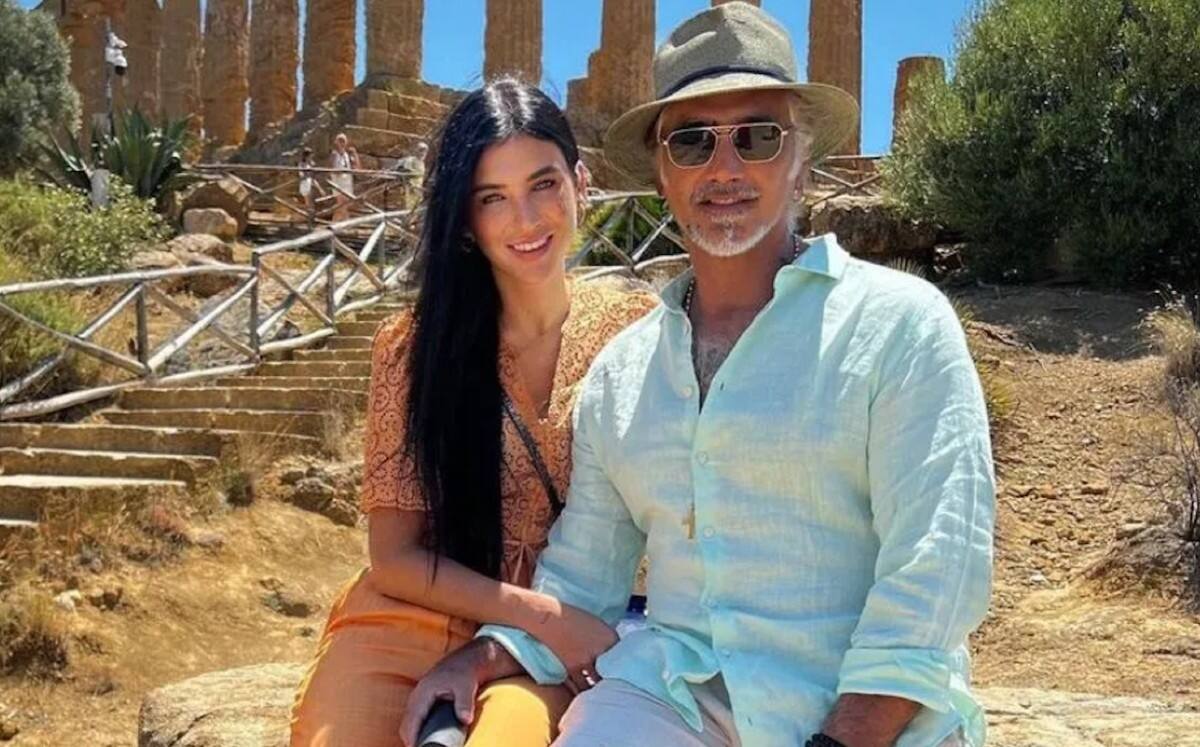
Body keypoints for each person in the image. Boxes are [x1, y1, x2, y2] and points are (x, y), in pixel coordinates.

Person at [402, 4, 996, 747]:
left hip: (864, 715)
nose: (724, 167)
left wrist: (845, 738)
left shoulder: (899, 326)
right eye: (691, 141)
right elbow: (583, 571)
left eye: (757, 135)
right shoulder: (621, 375)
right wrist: (486, 653)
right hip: (674, 697)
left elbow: (937, 563)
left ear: (800, 157)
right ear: (661, 169)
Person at [288, 78, 659, 747]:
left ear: (582, 183)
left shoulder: (636, 329)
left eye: (544, 184)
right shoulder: (413, 347)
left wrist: (554, 625)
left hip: (549, 640)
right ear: (464, 218)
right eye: (493, 198)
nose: (526, 219)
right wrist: (541, 613)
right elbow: (394, 557)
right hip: (420, 613)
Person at [329, 133, 360, 222]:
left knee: (345, 205)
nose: (342, 143)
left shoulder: (347, 155)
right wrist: (341, 171)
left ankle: (336, 223)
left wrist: (355, 154)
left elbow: (357, 167)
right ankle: (345, 223)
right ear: (336, 142)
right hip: (338, 183)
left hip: (347, 183)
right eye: (340, 141)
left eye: (343, 141)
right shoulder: (334, 154)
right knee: (341, 205)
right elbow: (332, 169)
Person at [395, 141, 430, 210]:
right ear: (416, 150)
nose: (423, 153)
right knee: (410, 206)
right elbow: (405, 172)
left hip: (418, 187)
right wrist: (410, 184)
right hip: (411, 187)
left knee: (417, 205)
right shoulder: (411, 160)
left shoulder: (421, 162)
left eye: (425, 151)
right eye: (421, 150)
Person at [298, 147, 324, 223]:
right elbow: (302, 175)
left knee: (312, 202)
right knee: (308, 203)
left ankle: (311, 219)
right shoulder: (302, 164)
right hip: (305, 183)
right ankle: (309, 220)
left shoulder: (310, 164)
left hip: (310, 183)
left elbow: (312, 176)